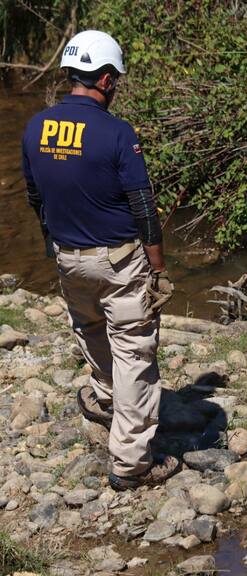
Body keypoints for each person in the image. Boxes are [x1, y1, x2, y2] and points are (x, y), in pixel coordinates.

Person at [21, 30, 179, 490]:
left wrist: (54, 243)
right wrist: (159, 268)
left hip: (68, 258)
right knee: (134, 350)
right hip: (119, 261)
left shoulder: (36, 127)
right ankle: (131, 464)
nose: (117, 88)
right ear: (105, 79)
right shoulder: (117, 132)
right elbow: (144, 208)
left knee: (89, 327)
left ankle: (106, 397)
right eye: (117, 80)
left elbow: (36, 197)